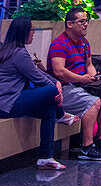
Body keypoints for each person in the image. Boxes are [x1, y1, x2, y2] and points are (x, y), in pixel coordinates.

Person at [0, 17, 75, 170]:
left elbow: (36, 73)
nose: (33, 33)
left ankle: (45, 157)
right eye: (32, 30)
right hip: (8, 103)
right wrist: (55, 86)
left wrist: (56, 82)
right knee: (51, 91)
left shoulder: (9, 49)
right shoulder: (19, 54)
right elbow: (39, 78)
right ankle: (61, 115)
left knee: (48, 111)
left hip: (9, 100)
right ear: (23, 33)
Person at [48, 7, 101, 161]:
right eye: (82, 21)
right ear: (70, 24)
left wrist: (92, 76)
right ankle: (86, 146)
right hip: (63, 89)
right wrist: (81, 78)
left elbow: (89, 64)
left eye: (86, 21)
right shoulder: (59, 44)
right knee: (93, 102)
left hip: (80, 85)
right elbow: (59, 72)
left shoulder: (84, 42)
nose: (85, 24)